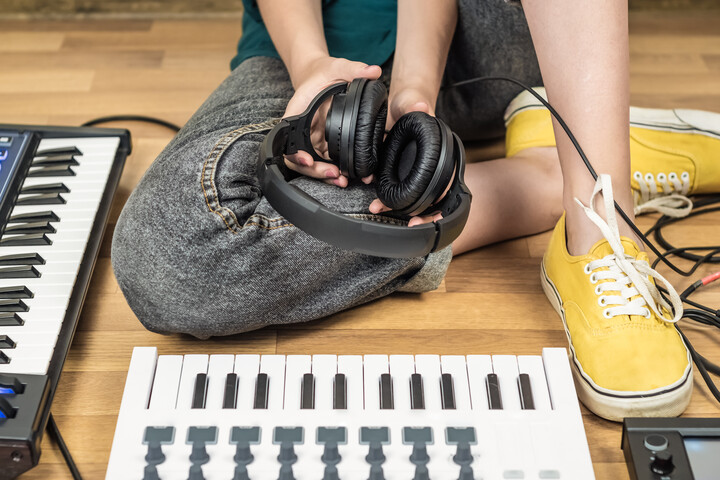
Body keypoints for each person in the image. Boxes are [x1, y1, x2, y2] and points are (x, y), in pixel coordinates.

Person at [111, 0, 720, 422]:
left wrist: (413, 88)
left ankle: (598, 215)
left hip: (490, 44)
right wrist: (312, 69)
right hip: (295, 61)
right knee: (170, 259)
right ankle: (555, 172)